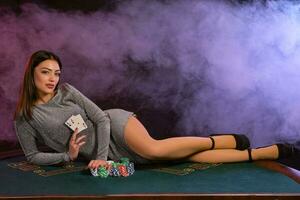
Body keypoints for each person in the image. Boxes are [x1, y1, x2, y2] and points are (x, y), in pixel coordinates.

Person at [14, 50, 298, 170]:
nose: (53, 78)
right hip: (107, 158)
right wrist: (68, 155)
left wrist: (99, 157)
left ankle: (219, 139)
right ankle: (261, 152)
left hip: (115, 127)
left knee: (155, 150)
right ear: (32, 75)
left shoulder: (66, 90)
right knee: (187, 159)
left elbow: (100, 117)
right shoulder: (25, 117)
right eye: (45, 72)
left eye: (57, 72)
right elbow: (33, 155)